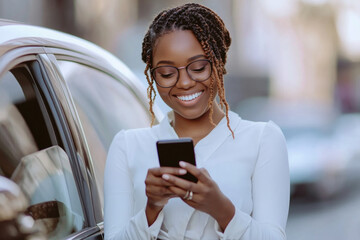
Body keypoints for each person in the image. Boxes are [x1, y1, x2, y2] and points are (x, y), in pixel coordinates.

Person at [104, 3, 289, 240]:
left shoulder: (263, 140)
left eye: (199, 67)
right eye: (167, 74)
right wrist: (152, 209)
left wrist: (223, 210)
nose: (184, 83)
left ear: (219, 63)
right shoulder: (127, 147)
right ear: (153, 76)